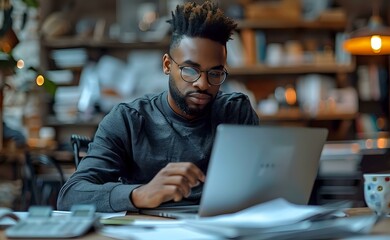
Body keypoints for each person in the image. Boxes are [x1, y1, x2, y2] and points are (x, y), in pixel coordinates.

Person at [57, 1, 259, 212]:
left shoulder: (236, 113)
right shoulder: (128, 120)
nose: (203, 83)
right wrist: (140, 193)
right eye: (190, 70)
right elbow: (70, 195)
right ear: (167, 65)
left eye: (215, 73)